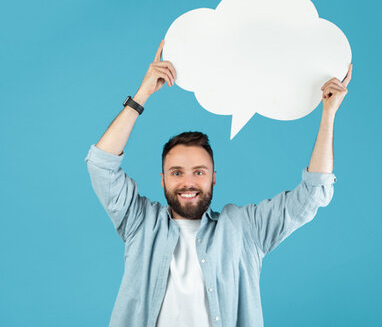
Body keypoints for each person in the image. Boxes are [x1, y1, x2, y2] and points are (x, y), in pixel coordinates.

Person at [85, 40, 352, 326]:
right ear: (162, 180)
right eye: (177, 172)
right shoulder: (139, 223)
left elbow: (313, 193)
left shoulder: (245, 229)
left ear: (213, 177)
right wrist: (143, 93)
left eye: (199, 172)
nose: (188, 182)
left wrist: (329, 113)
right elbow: (101, 165)